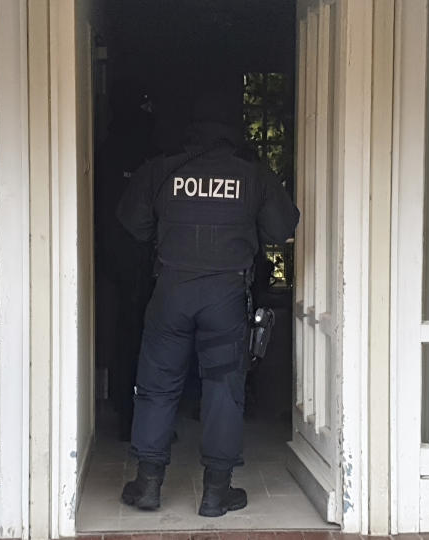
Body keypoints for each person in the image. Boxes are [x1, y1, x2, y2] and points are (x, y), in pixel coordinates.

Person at [116, 90, 300, 517]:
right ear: (233, 132)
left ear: (191, 128)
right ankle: (216, 493)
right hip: (225, 296)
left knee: (158, 385)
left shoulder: (163, 170)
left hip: (172, 291)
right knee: (222, 390)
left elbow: (135, 226)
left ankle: (147, 485)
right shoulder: (251, 173)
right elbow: (281, 229)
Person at [94, 81, 158, 440]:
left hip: (114, 261)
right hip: (142, 261)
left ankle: (126, 412)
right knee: (148, 339)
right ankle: (138, 416)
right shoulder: (150, 156)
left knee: (125, 335)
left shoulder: (107, 151)